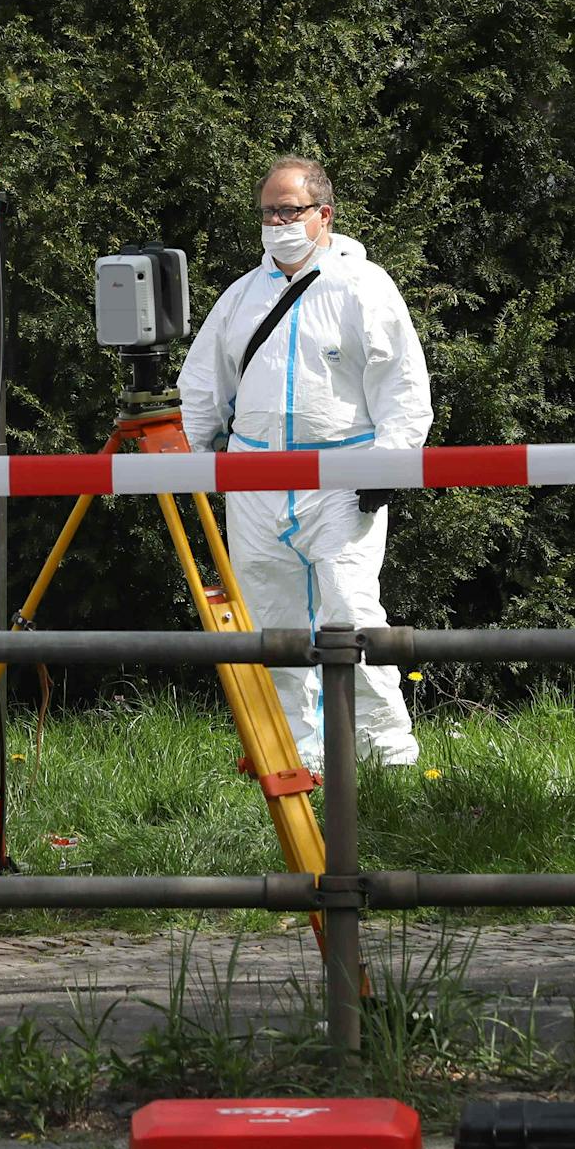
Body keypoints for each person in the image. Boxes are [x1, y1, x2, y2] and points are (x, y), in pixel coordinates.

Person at [178, 155, 431, 767]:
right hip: (256, 479)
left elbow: (403, 387)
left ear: (324, 214)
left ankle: (385, 753)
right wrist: (201, 457)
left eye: (290, 210)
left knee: (352, 612)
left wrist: (387, 471)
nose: (277, 221)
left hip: (342, 478)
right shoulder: (242, 295)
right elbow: (203, 383)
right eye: (268, 210)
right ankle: (296, 755)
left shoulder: (364, 287)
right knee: (273, 622)